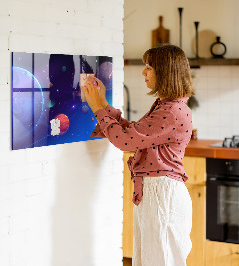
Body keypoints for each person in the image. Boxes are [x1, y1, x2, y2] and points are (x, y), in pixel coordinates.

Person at [82, 44, 194, 266]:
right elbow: (133, 133)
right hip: (157, 193)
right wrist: (103, 103)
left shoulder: (171, 111)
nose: (143, 72)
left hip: (162, 195)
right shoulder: (167, 106)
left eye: (149, 67)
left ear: (165, 72)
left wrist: (97, 108)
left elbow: (125, 141)